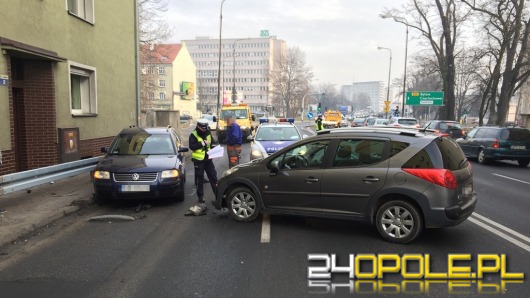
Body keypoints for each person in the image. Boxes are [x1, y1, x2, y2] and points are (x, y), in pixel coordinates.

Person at [189, 119, 218, 205]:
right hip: (198, 160)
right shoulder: (193, 134)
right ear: (198, 126)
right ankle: (200, 197)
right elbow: (192, 146)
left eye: (205, 128)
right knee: (200, 178)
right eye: (202, 128)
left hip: (208, 159)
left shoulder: (207, 132)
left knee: (213, 177)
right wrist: (202, 144)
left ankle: (218, 196)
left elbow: (212, 142)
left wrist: (213, 146)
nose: (204, 130)